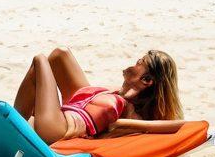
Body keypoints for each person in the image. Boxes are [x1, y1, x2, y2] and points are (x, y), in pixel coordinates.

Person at [13, 47, 186, 143]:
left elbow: (180, 124)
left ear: (147, 80)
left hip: (57, 129)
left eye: (139, 63)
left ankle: (12, 131)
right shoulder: (115, 92)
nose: (134, 63)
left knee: (40, 60)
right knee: (61, 53)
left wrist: (124, 123)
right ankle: (15, 126)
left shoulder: (132, 110)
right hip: (63, 115)